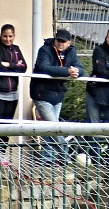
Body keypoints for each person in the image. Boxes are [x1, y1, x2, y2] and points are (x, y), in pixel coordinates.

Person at [31, 28, 83, 162]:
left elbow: (81, 69)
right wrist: (67, 71)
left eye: (63, 41)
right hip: (42, 93)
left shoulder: (72, 51)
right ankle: (66, 153)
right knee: (55, 127)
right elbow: (44, 67)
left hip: (58, 95)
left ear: (69, 43)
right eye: (58, 40)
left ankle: (47, 158)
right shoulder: (45, 50)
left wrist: (76, 72)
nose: (60, 43)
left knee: (49, 128)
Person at [0, 23, 28, 145]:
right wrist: (15, 65)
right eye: (5, 36)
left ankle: (2, 155)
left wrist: (8, 64)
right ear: (1, 36)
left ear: (14, 36)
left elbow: (24, 68)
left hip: (12, 93)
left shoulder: (16, 49)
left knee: (7, 127)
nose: (8, 39)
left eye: (10, 36)